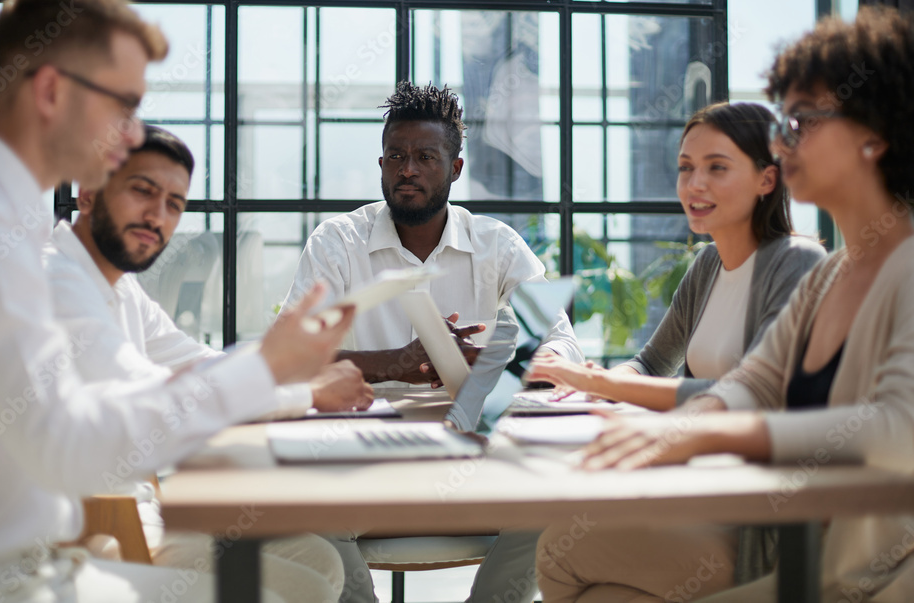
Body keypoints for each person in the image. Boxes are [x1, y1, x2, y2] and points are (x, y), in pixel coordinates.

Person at [0, 0, 353, 603]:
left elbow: (104, 401)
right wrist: (266, 372)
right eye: (123, 106)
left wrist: (271, 372)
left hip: (35, 565)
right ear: (50, 91)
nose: (129, 136)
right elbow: (65, 445)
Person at [536, 6, 914, 602]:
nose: (783, 140)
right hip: (792, 543)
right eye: (782, 123)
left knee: (564, 553)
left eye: (803, 121)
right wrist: (683, 430)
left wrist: (702, 436)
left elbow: (898, 429)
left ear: (875, 133)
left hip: (866, 576)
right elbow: (753, 386)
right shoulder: (831, 277)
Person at [283, 81, 584, 603]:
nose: (408, 170)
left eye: (425, 157)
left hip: (475, 454)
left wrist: (502, 361)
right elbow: (290, 357)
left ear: (456, 169)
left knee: (558, 504)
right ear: (381, 165)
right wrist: (394, 363)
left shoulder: (497, 245)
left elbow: (562, 343)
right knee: (303, 514)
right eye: (396, 156)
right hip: (365, 457)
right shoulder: (338, 243)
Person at [42, 125, 375, 594]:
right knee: (305, 587)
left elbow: (194, 361)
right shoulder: (55, 283)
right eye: (143, 191)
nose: (158, 216)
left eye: (175, 204)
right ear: (89, 193)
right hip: (85, 534)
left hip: (142, 516)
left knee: (319, 560)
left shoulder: (121, 286)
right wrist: (305, 390)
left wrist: (296, 365)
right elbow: (159, 401)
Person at [527, 102, 825, 414]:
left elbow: (752, 390)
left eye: (717, 167)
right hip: (699, 448)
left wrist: (600, 383)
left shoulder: (798, 260)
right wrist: (596, 383)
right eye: (686, 168)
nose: (694, 184)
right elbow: (651, 363)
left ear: (766, 180)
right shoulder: (708, 263)